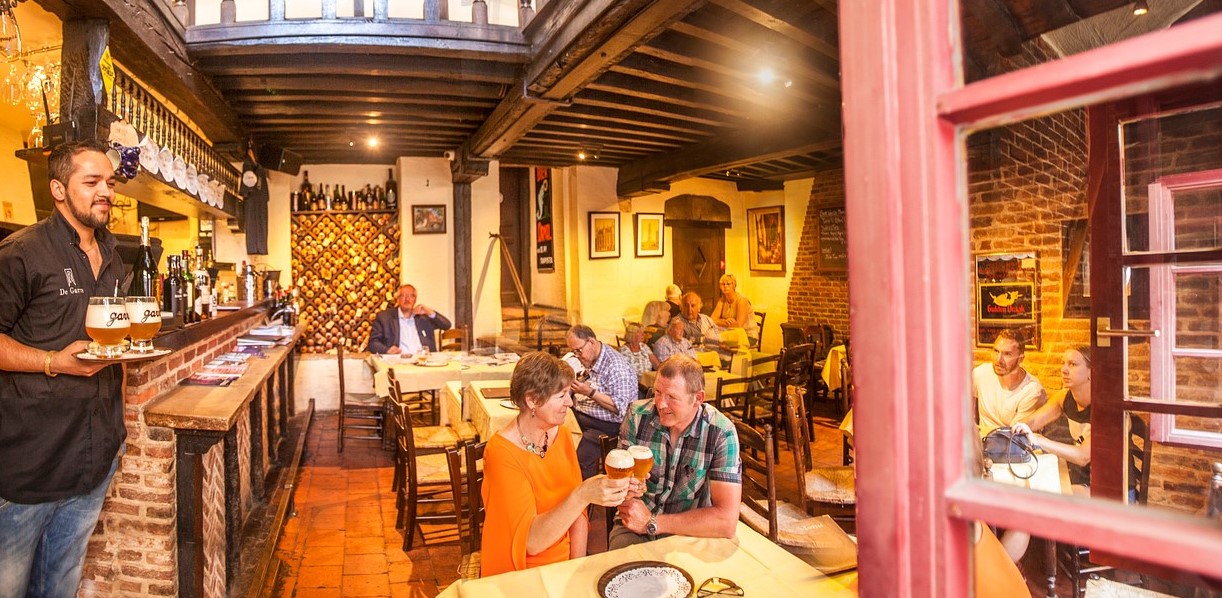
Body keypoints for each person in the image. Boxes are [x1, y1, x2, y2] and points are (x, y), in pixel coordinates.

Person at [0, 141, 127, 598]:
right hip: (29, 464)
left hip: (93, 459)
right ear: (58, 188)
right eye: (91, 182)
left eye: (109, 183)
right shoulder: (21, 253)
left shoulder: (113, 255)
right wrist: (54, 362)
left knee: (60, 585)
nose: (105, 192)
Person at [481, 352, 629, 576]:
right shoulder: (502, 453)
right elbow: (532, 542)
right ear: (532, 400)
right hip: (522, 571)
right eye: (561, 395)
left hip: (565, 564)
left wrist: (575, 568)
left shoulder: (561, 435)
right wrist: (582, 494)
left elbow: (578, 516)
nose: (570, 402)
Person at [610, 355, 742, 549]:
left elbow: (726, 521)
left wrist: (652, 522)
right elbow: (619, 485)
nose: (660, 404)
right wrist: (625, 489)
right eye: (657, 392)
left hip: (691, 531)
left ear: (698, 398)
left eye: (671, 397)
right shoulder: (638, 416)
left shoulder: (721, 432)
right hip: (635, 525)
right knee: (622, 571)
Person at [565, 325, 640, 478]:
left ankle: (584, 496)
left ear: (591, 342)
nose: (577, 355)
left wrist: (589, 392)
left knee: (578, 460)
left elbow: (622, 408)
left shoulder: (616, 366)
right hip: (584, 415)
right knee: (556, 430)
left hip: (609, 425)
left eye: (578, 350)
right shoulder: (592, 357)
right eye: (573, 352)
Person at [973, 329, 1046, 436]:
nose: (998, 360)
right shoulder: (980, 374)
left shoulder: (1032, 391)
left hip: (1012, 447)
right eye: (996, 351)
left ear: (1020, 359)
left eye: (1007, 354)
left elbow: (1014, 436)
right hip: (980, 444)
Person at [367, 283, 452, 354]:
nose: (407, 299)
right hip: (398, 363)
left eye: (411, 296)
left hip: (424, 363)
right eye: (403, 296)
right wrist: (387, 350)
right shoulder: (384, 318)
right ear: (398, 299)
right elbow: (373, 343)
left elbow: (447, 325)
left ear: (415, 299)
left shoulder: (424, 318)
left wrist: (429, 311)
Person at [710, 274, 758, 343]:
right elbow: (711, 320)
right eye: (723, 284)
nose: (725, 286)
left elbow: (738, 325)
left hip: (747, 336)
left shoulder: (741, 300)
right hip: (730, 334)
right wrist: (725, 321)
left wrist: (719, 321)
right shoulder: (722, 300)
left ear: (734, 285)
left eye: (728, 284)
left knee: (722, 345)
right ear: (720, 287)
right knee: (713, 341)